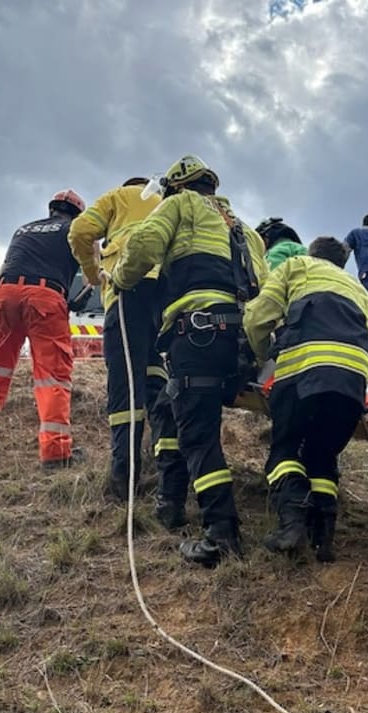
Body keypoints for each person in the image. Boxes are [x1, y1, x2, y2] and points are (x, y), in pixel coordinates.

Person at [115, 155, 267, 568]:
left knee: (199, 435)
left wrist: (120, 279)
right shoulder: (245, 231)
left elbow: (144, 245)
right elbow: (267, 289)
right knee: (174, 406)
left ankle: (221, 534)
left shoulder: (180, 206)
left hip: (197, 335)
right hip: (240, 344)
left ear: (178, 187)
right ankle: (175, 503)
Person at [243, 236, 368, 562]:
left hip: (302, 371)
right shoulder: (358, 290)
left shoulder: (296, 266)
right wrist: (354, 374)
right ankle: (324, 540)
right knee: (322, 453)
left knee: (286, 448)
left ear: (311, 254)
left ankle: (291, 527)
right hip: (352, 378)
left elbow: (257, 317)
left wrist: (262, 357)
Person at [0, 190, 85, 470]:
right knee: (52, 377)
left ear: (52, 209)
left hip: (4, 294)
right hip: (43, 297)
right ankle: (55, 453)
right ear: (76, 214)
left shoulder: (24, 229)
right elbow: (91, 265)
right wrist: (84, 291)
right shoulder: (75, 228)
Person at [68, 177, 165, 498]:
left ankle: (124, 479)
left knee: (125, 385)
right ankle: (167, 471)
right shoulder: (166, 203)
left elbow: (81, 231)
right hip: (164, 298)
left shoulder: (119, 197)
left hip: (127, 294)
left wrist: (93, 274)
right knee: (157, 380)